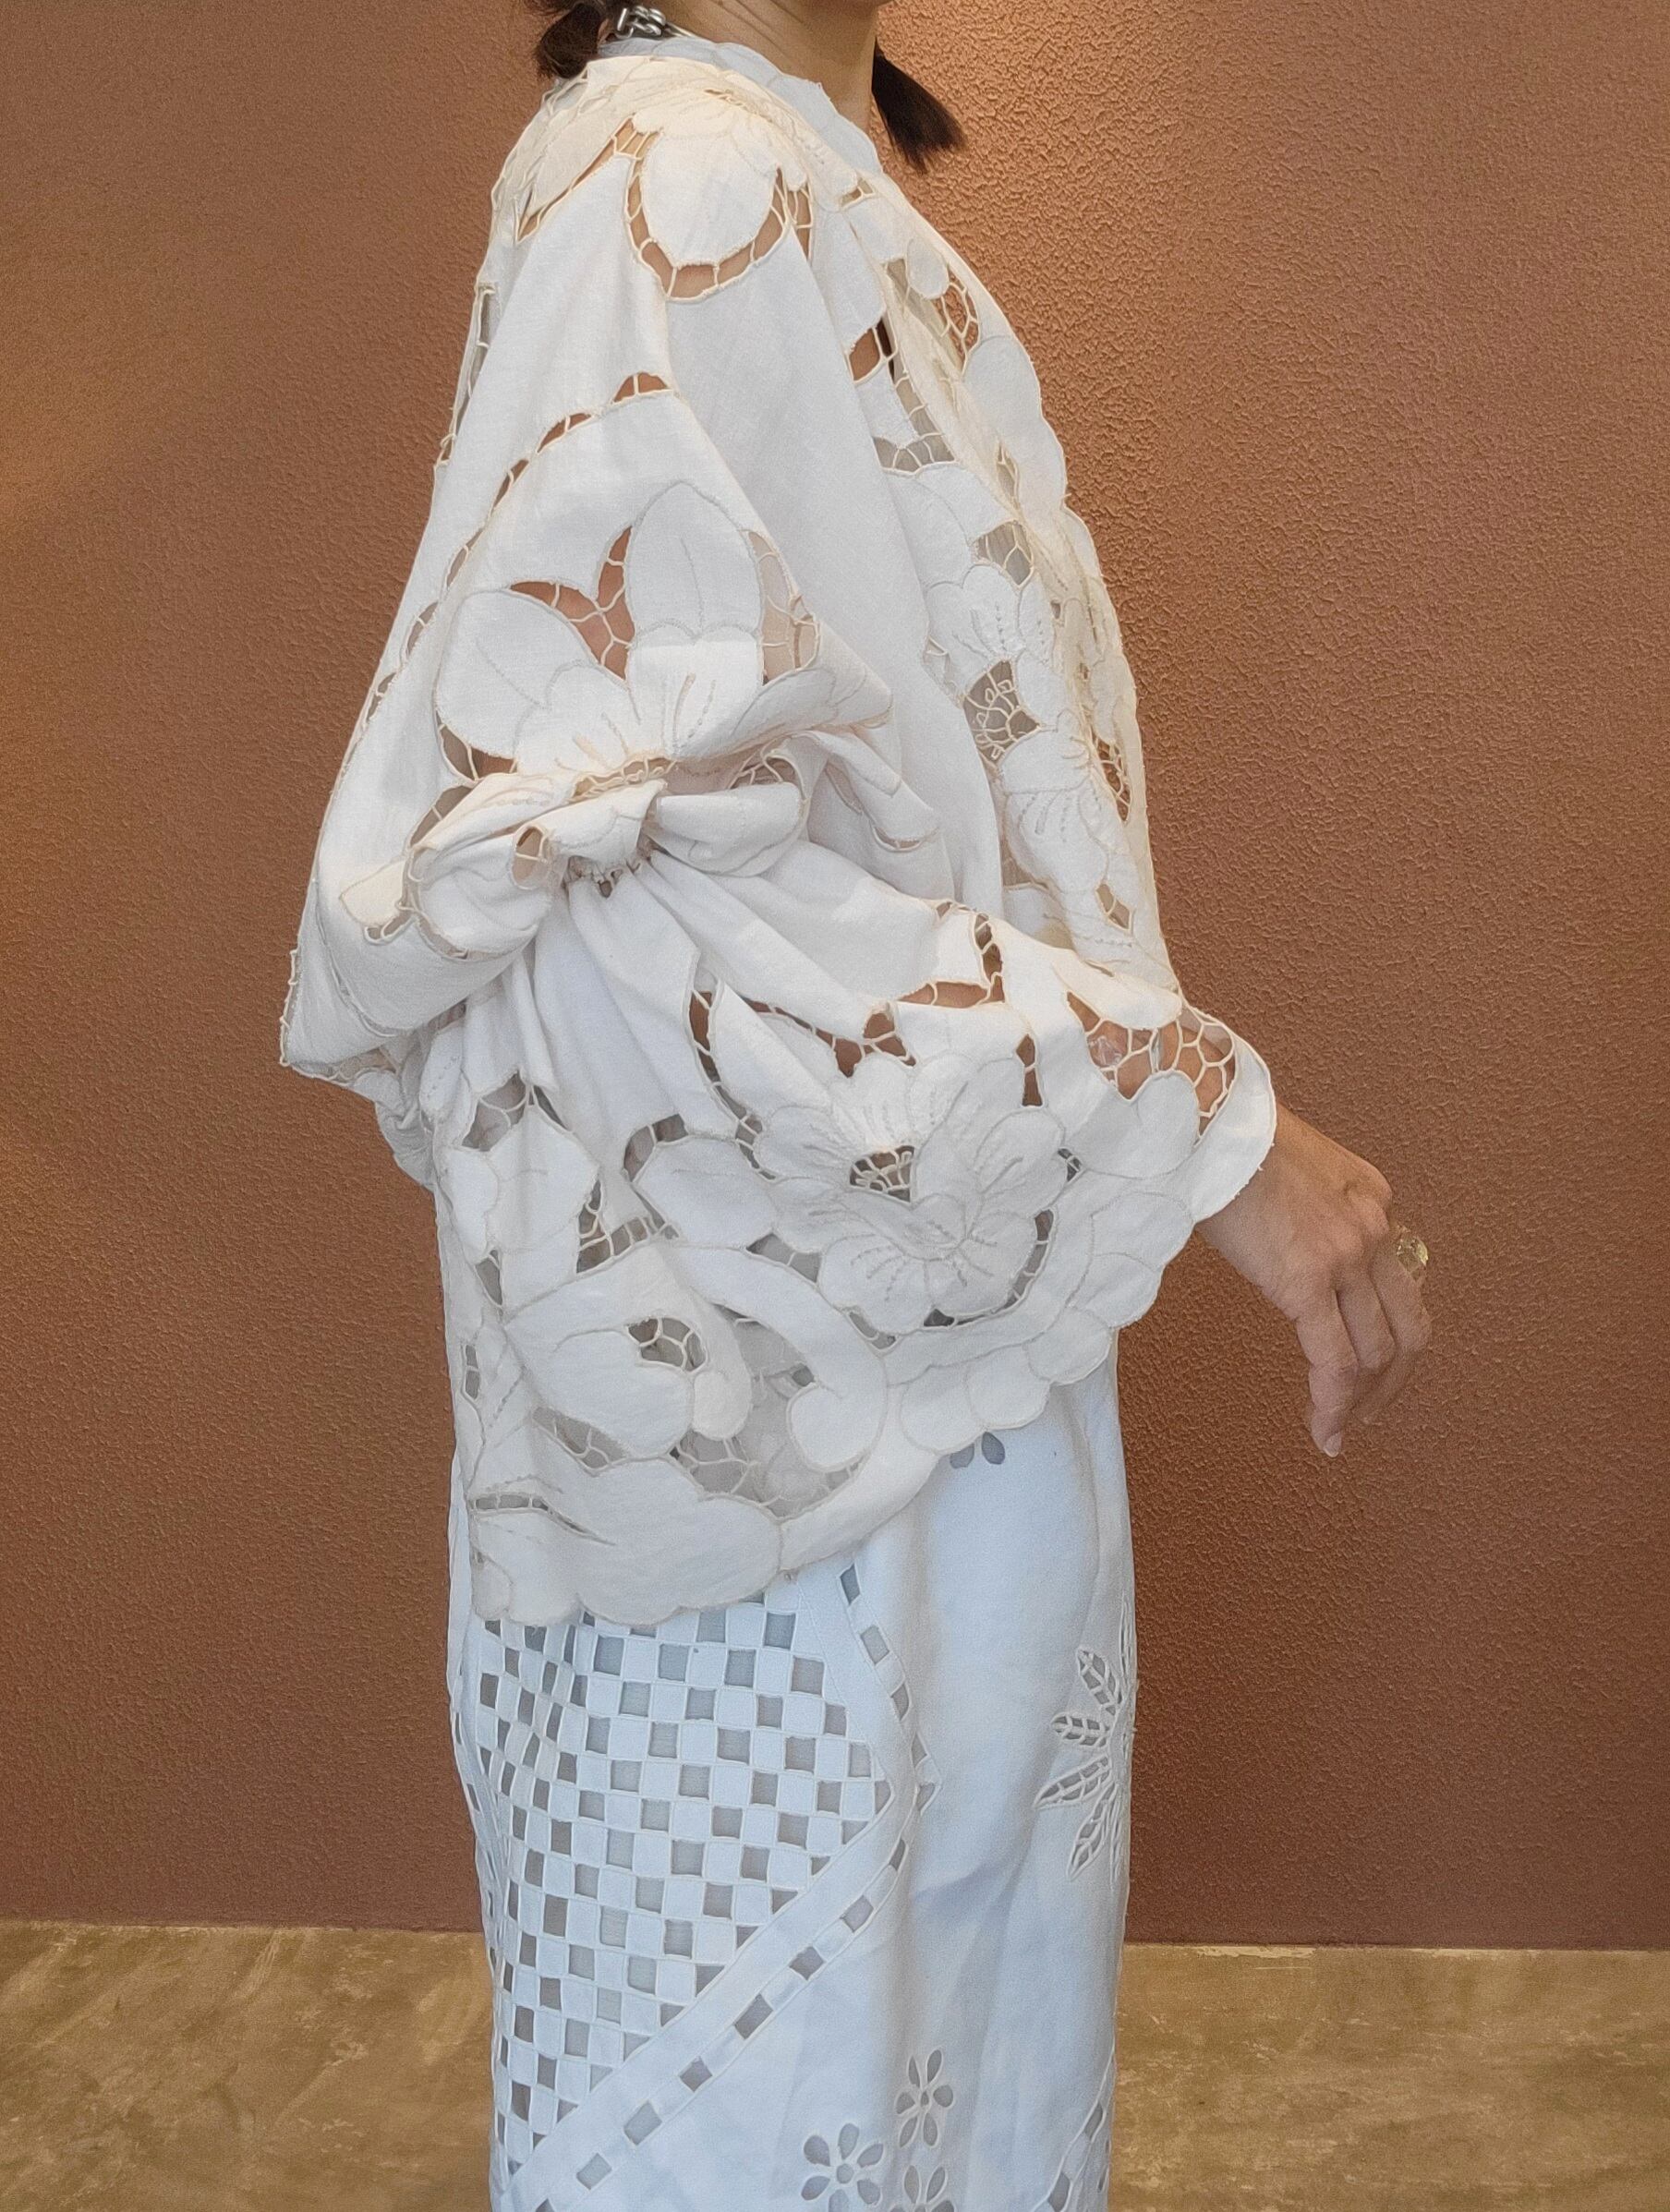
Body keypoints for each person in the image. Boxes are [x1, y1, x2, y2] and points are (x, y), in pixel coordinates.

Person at [280, 3, 1431, 2203]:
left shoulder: (803, 180)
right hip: (777, 1472)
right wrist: (1193, 1123)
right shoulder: (669, 176)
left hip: (925, 1395)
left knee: (929, 2098)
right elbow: (605, 894)